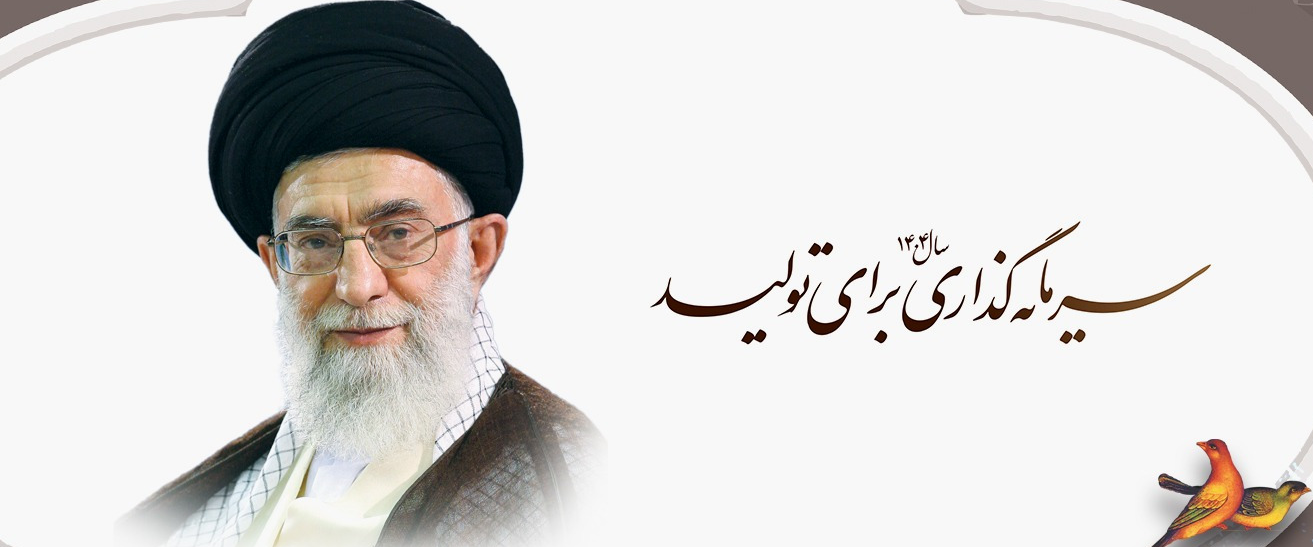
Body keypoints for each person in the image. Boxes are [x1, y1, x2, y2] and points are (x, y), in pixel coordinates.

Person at [114, 2, 604, 546]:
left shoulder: (582, 491)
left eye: (397, 234)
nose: (357, 286)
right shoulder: (185, 517)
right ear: (275, 265)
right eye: (316, 243)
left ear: (478, 250)